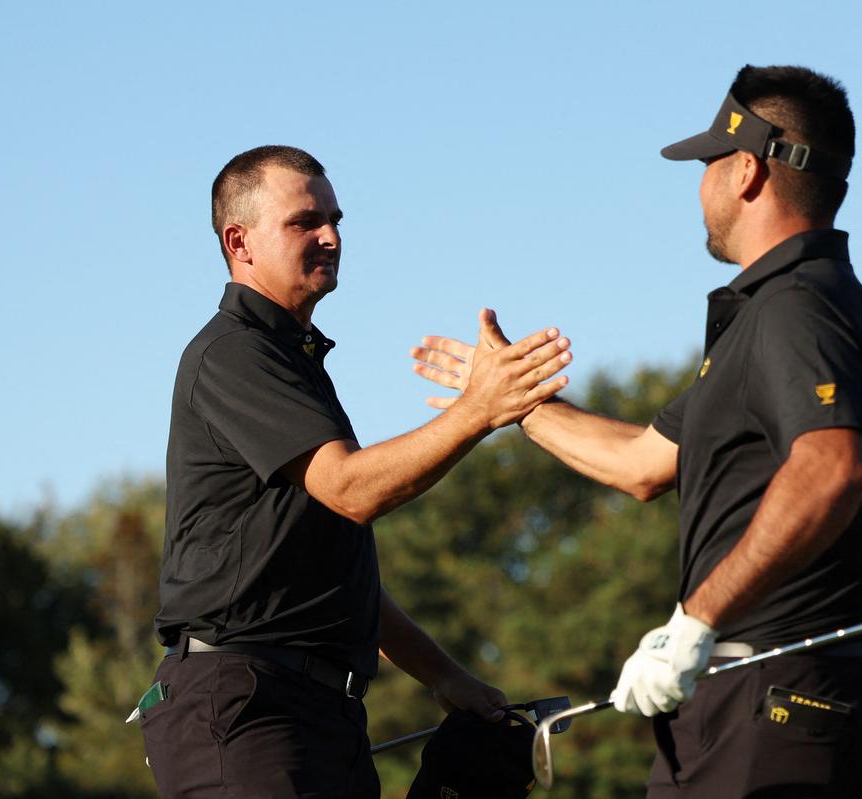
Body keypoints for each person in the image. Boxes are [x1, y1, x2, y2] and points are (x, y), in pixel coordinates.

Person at [412, 66, 862, 797]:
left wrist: (696, 620)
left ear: (747, 172)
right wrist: (505, 401)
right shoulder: (794, 308)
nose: (700, 186)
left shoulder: (795, 305)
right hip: (819, 695)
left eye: (708, 164)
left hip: (787, 697)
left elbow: (831, 466)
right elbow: (641, 464)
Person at [143, 145, 572, 799]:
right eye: (304, 221)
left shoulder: (293, 359)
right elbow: (352, 488)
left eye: (335, 219)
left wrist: (444, 675)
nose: (331, 236)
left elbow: (324, 573)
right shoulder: (235, 353)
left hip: (318, 711)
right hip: (245, 706)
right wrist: (479, 411)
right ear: (240, 240)